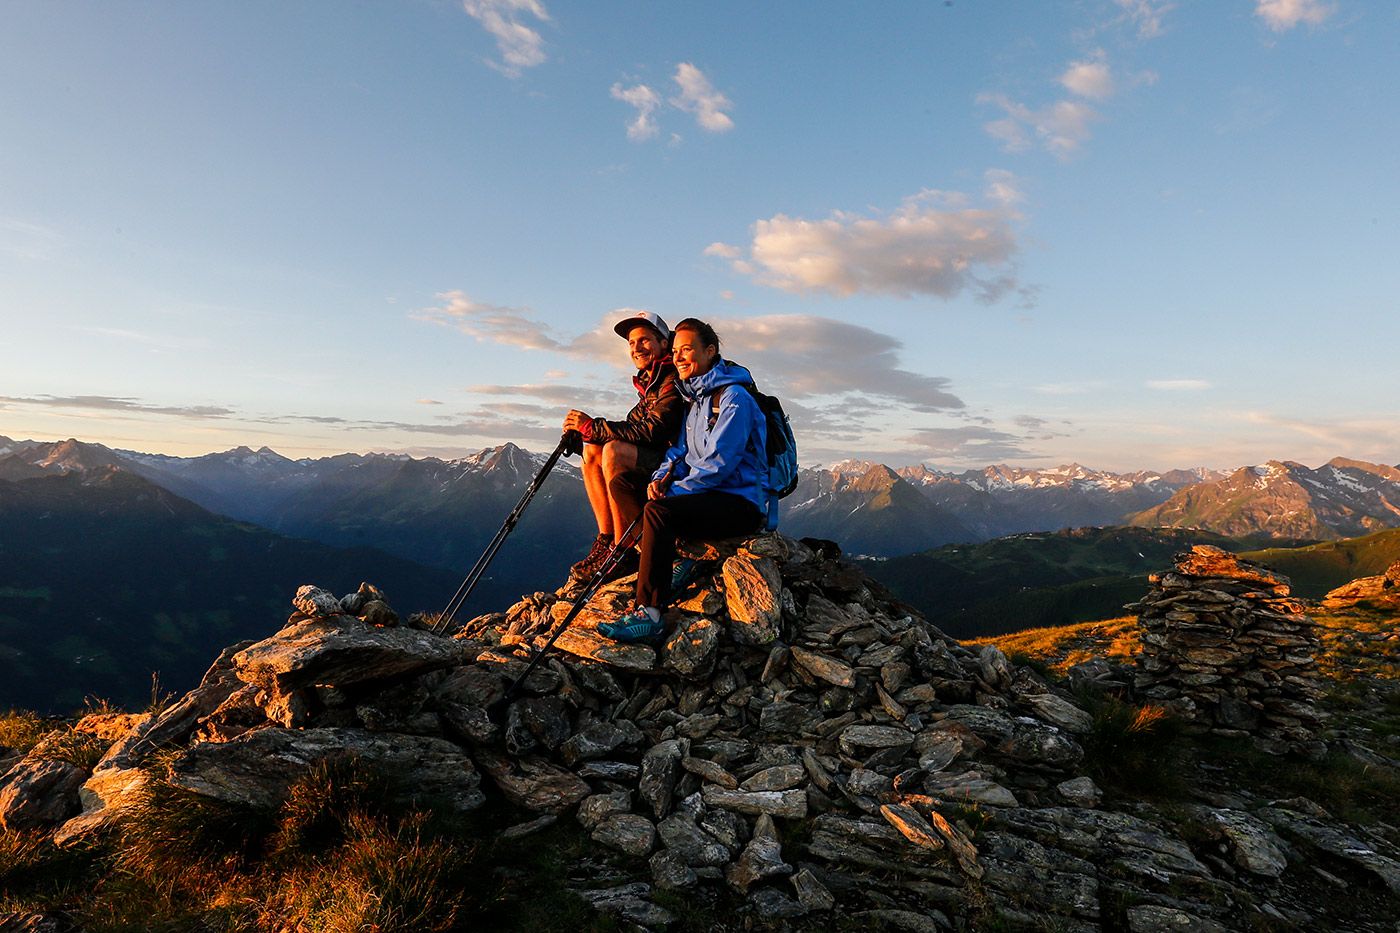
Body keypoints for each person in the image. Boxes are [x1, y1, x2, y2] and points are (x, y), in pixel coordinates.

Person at [598, 318, 776, 643]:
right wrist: (661, 477)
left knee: (658, 512)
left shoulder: (734, 399)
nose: (679, 357)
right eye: (676, 350)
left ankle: (650, 613)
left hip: (739, 503)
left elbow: (718, 464)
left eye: (687, 349)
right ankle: (668, 557)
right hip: (705, 497)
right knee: (623, 484)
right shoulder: (696, 400)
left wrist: (672, 494)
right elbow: (679, 451)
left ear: (710, 352)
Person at [562, 310, 684, 581]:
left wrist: (593, 427)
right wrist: (586, 434)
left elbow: (653, 430)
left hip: (677, 463)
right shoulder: (652, 379)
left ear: (664, 343)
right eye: (631, 343)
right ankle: (606, 541)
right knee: (594, 449)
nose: (636, 348)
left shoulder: (672, 378)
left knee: (614, 450)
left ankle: (622, 550)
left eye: (644, 340)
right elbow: (633, 425)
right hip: (661, 456)